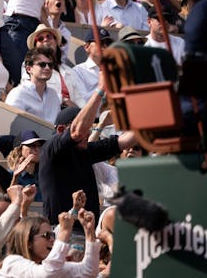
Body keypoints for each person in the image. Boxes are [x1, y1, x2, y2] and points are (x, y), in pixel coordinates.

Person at [39, 84, 138, 224]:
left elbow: (126, 141)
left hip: (88, 230)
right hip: (60, 230)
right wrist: (101, 89)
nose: (88, 133)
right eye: (85, 127)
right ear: (61, 130)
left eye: (90, 128)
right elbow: (77, 133)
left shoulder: (86, 151)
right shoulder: (51, 149)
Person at [0, 209, 100, 277]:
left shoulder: (49, 266)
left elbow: (89, 271)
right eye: (46, 235)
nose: (52, 240)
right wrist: (64, 232)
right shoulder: (12, 263)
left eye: (53, 235)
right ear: (28, 243)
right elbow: (47, 274)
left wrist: (89, 232)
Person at [4, 48, 62, 124]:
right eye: (42, 65)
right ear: (29, 69)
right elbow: (9, 123)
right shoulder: (18, 93)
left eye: (50, 65)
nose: (47, 68)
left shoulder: (53, 94)